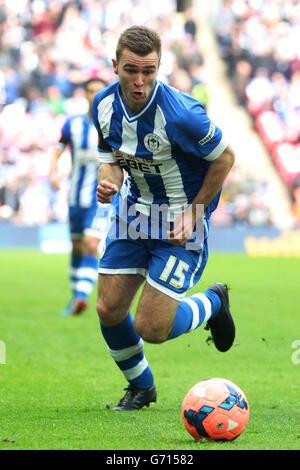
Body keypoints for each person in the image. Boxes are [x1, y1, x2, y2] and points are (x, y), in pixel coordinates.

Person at [92, 26, 236, 411]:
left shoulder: (183, 114)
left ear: (160, 67)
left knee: (151, 328)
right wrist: (107, 185)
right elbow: (111, 162)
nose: (139, 82)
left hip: (179, 223)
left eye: (149, 71)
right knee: (108, 309)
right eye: (130, 70)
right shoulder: (103, 107)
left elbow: (224, 158)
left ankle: (214, 303)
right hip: (132, 216)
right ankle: (142, 387)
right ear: (115, 66)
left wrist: (195, 210)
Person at [49, 78, 109, 316]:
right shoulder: (72, 124)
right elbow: (58, 149)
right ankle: (76, 297)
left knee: (91, 245)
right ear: (84, 94)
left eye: (99, 91)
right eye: (91, 91)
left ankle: (82, 296)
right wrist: (53, 172)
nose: (94, 95)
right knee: (76, 247)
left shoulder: (111, 125)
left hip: (100, 199)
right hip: (75, 197)